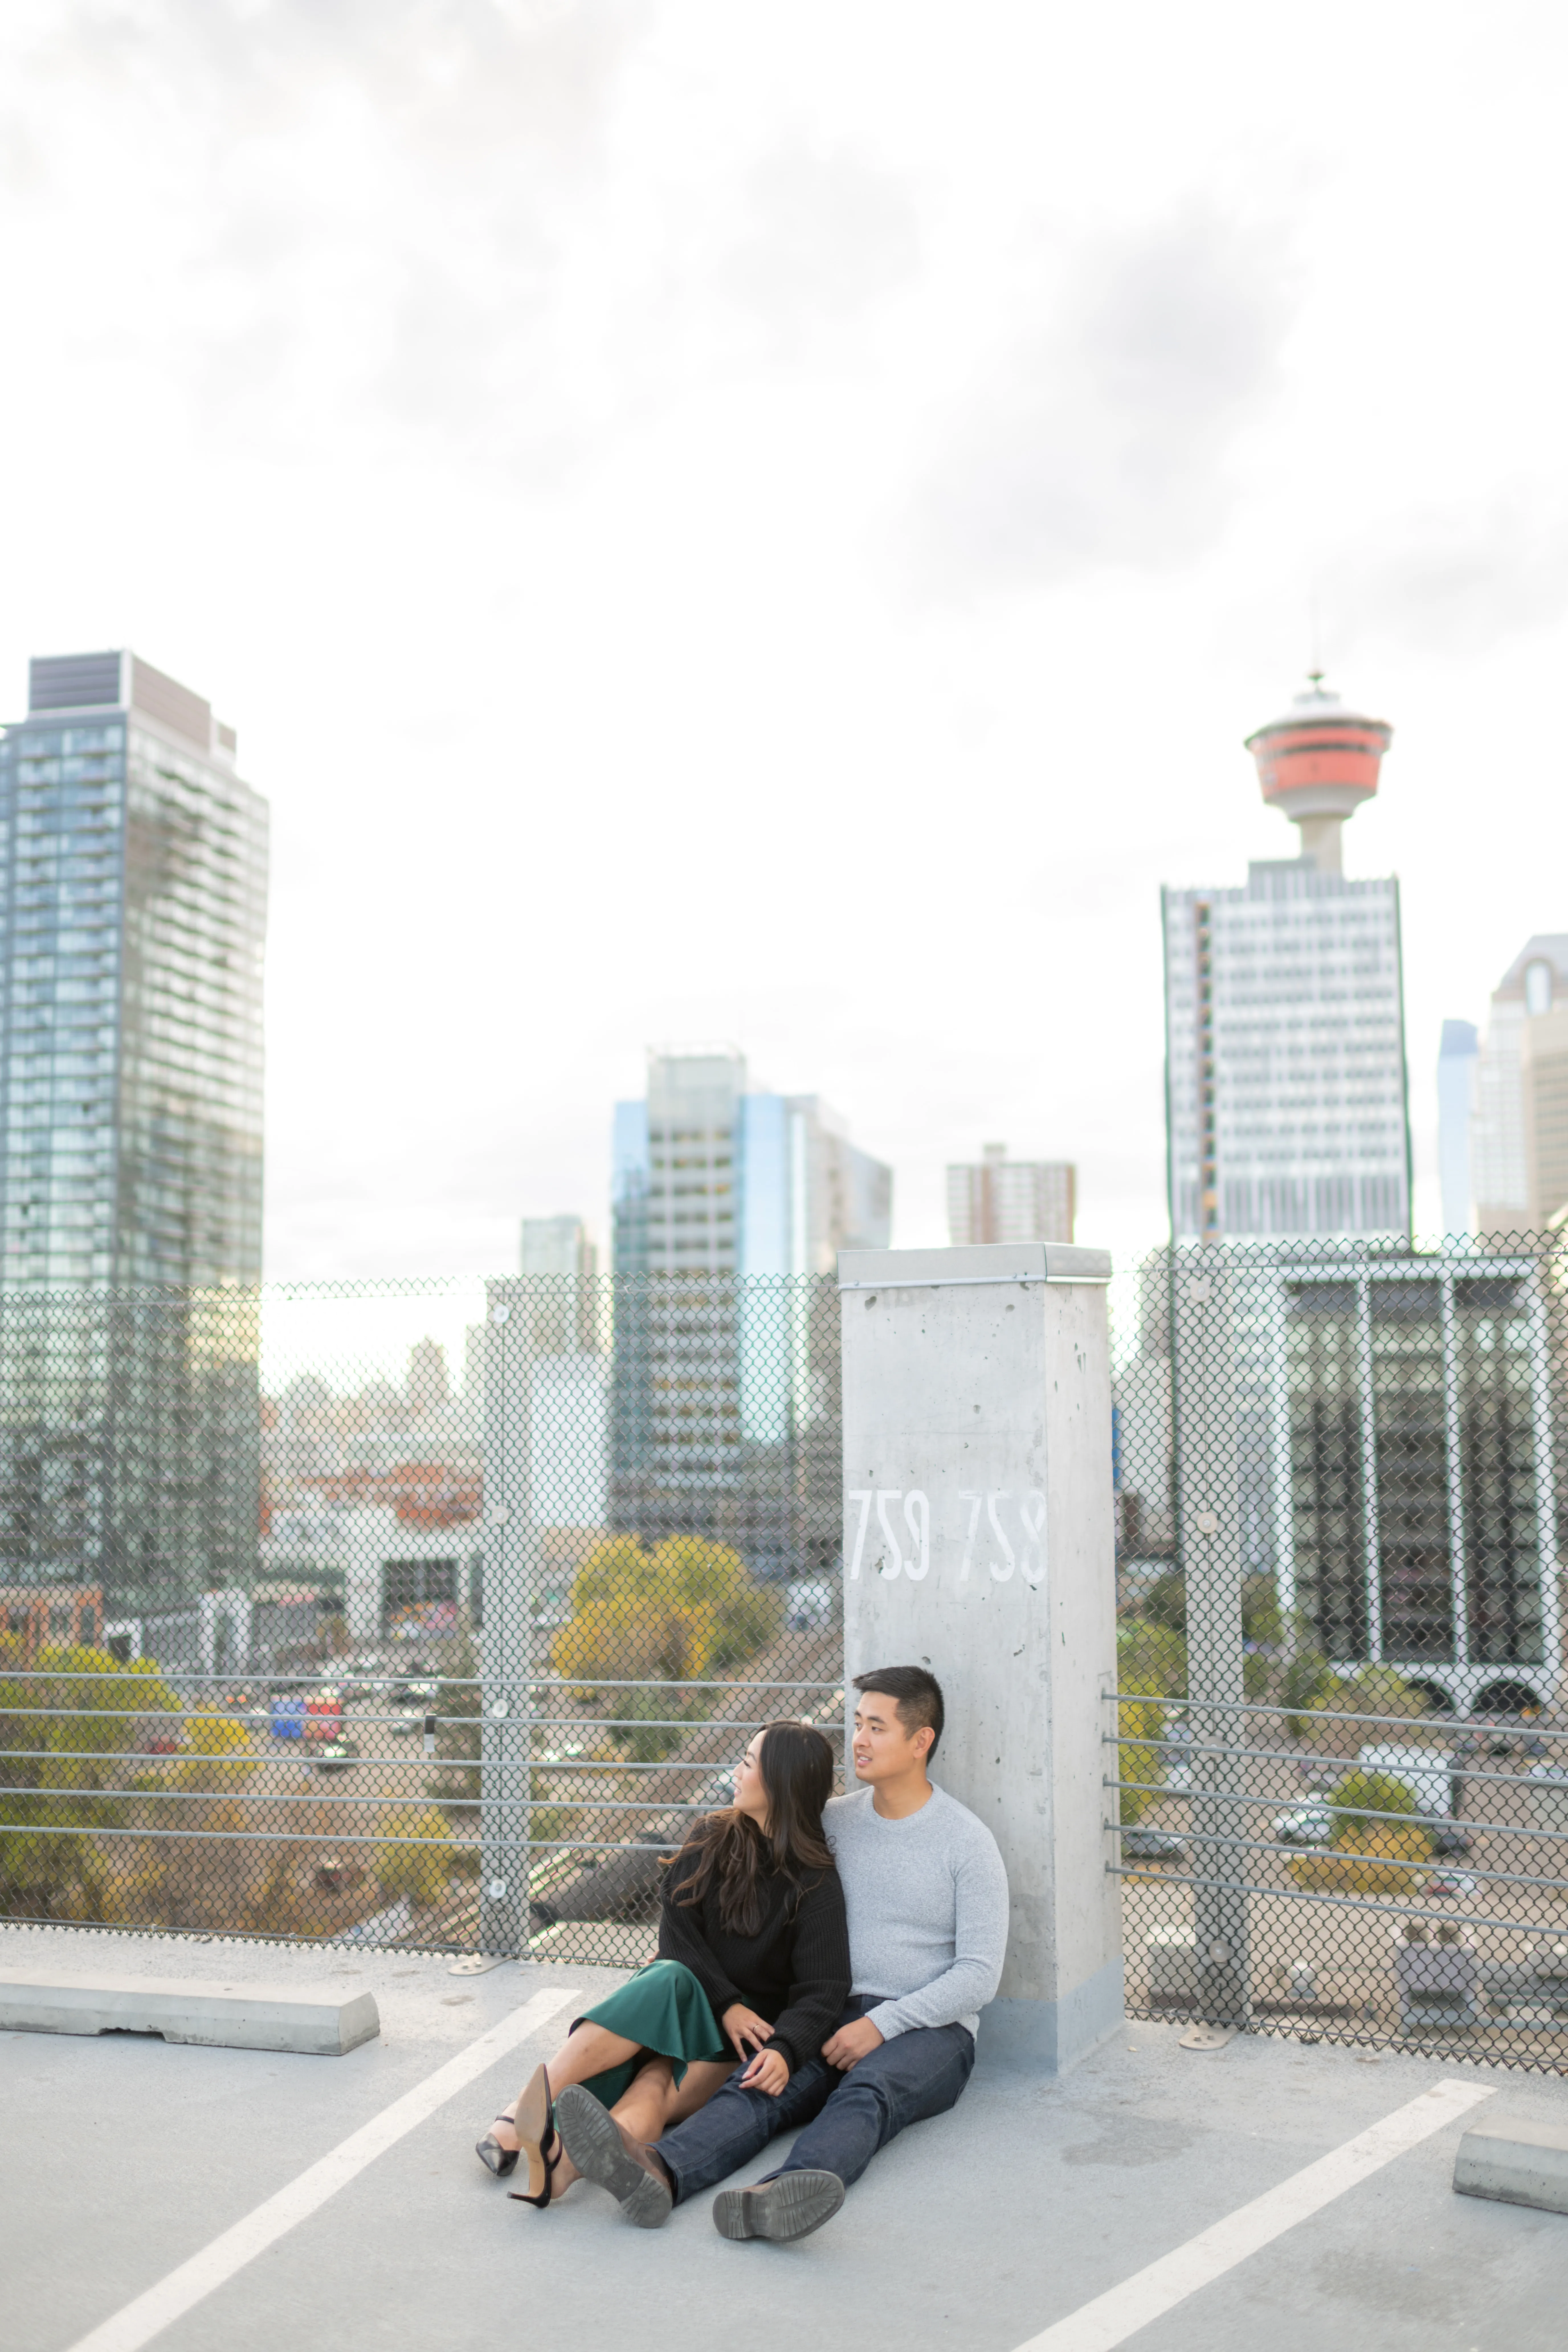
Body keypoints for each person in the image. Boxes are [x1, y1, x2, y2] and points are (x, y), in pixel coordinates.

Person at [560, 1663, 1009, 2242]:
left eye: (877, 1727)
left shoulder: (966, 1841)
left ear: (920, 1741)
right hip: (825, 2010)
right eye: (857, 1724)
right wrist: (773, 2030)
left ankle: (780, 2195)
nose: (859, 1740)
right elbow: (748, 1857)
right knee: (758, 2083)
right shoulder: (831, 1822)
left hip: (929, 2029)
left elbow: (979, 1976)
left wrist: (880, 2025)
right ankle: (661, 2173)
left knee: (868, 2095)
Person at [475, 1718, 849, 2217]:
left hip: (741, 2040)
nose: (735, 1772)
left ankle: (560, 2169)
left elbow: (824, 1989)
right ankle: (522, 2118)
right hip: (682, 2001)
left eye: (747, 1763)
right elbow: (677, 1932)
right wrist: (727, 2003)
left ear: (780, 1784)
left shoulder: (815, 1883)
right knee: (671, 1976)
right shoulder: (714, 1835)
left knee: (655, 2084)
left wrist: (783, 2048)